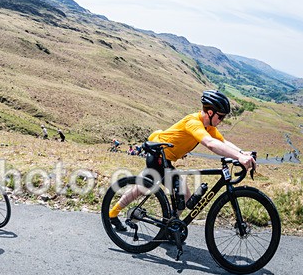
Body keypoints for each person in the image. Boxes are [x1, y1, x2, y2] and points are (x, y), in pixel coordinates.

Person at [108, 90, 256, 231]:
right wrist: (239, 157)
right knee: (144, 188)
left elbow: (222, 142)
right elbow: (211, 144)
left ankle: (171, 227)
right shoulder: (193, 122)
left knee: (182, 198)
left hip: (166, 159)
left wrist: (242, 153)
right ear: (210, 113)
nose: (222, 120)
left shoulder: (208, 126)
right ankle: (113, 214)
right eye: (221, 117)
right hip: (157, 156)